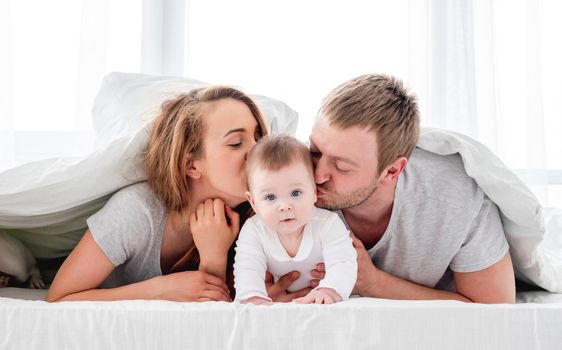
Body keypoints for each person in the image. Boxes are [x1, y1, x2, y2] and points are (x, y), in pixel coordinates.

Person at [47, 86, 272, 302]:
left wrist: (218, 263)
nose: (258, 151)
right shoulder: (136, 211)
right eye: (236, 143)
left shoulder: (263, 217)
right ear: (191, 166)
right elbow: (59, 297)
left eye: (258, 137)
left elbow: (214, 319)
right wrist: (161, 289)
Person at [307, 74, 516, 304]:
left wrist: (373, 283)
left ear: (391, 172)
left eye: (342, 167)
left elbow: (495, 307)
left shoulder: (456, 200)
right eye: (315, 151)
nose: (317, 175)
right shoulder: (292, 180)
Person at [233, 135, 357, 304]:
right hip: (280, 303)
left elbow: (343, 262)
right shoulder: (254, 230)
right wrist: (253, 297)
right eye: (270, 197)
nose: (284, 206)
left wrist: (329, 290)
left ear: (314, 191)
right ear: (253, 202)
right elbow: (247, 269)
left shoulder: (327, 224)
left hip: (322, 303)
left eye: (296, 193)